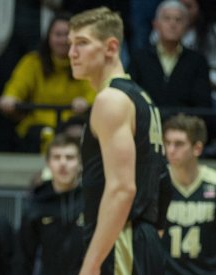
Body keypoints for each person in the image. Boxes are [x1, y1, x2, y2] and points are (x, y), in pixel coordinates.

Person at [68, 7, 166, 275]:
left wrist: (91, 264)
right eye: (70, 44)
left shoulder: (110, 100)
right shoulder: (142, 98)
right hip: (141, 240)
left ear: (111, 47)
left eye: (82, 43)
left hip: (122, 240)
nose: (71, 53)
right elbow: (164, 180)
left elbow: (122, 189)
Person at [0, 14, 95, 153]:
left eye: (67, 35)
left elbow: (94, 89)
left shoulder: (86, 63)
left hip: (73, 122)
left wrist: (86, 101)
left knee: (79, 133)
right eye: (58, 35)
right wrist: (10, 97)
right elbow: (17, 86)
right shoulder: (33, 61)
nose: (62, 40)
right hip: (38, 124)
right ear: (48, 37)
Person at [14, 134, 84, 275]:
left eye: (70, 158)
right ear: (48, 163)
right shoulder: (36, 204)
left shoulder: (92, 201)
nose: (63, 163)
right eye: (57, 157)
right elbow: (23, 259)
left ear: (80, 164)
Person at [161, 113, 216, 274]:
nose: (171, 150)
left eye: (179, 144)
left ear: (197, 148)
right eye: (167, 143)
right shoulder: (156, 184)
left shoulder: (213, 183)